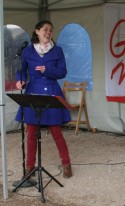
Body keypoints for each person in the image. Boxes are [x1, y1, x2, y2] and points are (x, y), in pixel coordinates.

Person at [15, 20, 72, 179]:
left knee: (56, 131)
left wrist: (48, 70)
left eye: (51, 31)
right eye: (45, 29)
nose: (48, 33)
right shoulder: (27, 51)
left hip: (52, 91)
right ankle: (29, 167)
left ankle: (66, 164)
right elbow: (21, 70)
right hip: (33, 92)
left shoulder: (58, 51)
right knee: (31, 132)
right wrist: (20, 80)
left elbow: (62, 72)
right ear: (37, 31)